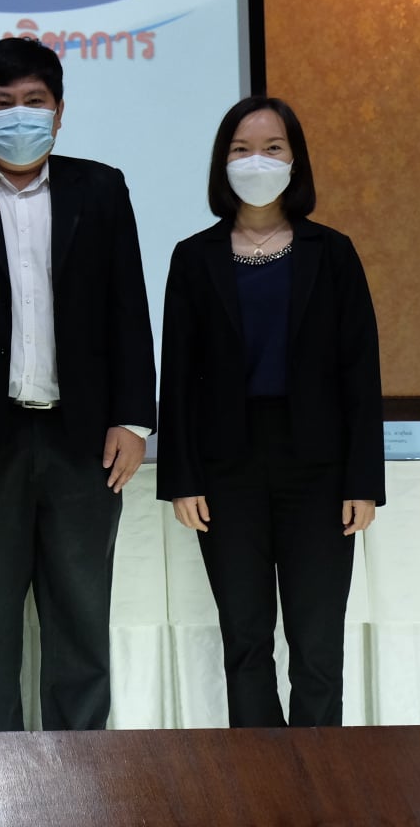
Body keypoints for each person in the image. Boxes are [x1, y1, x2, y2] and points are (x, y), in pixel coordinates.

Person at [0, 37, 156, 732]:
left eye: (35, 102)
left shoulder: (100, 188)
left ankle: (80, 781)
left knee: (80, 626)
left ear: (60, 112)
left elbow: (127, 307)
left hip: (84, 442)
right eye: (2, 103)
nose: (19, 115)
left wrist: (134, 418)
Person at [157, 96, 383, 727]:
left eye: (272, 147)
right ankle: (261, 793)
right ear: (220, 164)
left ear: (295, 160)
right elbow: (176, 376)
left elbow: (360, 374)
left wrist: (364, 481)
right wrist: (182, 479)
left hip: (319, 467)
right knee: (246, 643)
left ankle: (321, 789)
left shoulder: (331, 253)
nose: (256, 160)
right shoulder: (194, 256)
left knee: (316, 647)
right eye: (240, 149)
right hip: (226, 467)